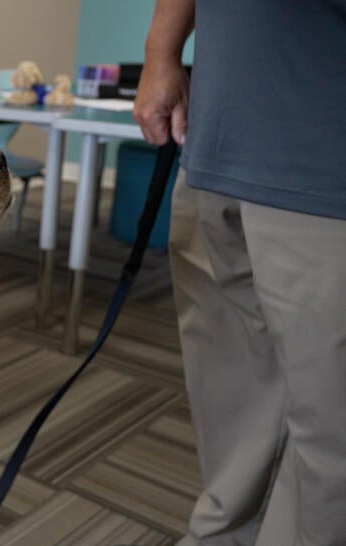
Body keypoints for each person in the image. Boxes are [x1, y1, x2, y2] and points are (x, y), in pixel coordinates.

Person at [133, 1, 346, 544]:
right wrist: (161, 53)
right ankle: (222, 533)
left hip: (323, 160)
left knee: (330, 437)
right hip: (216, 141)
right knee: (232, 394)